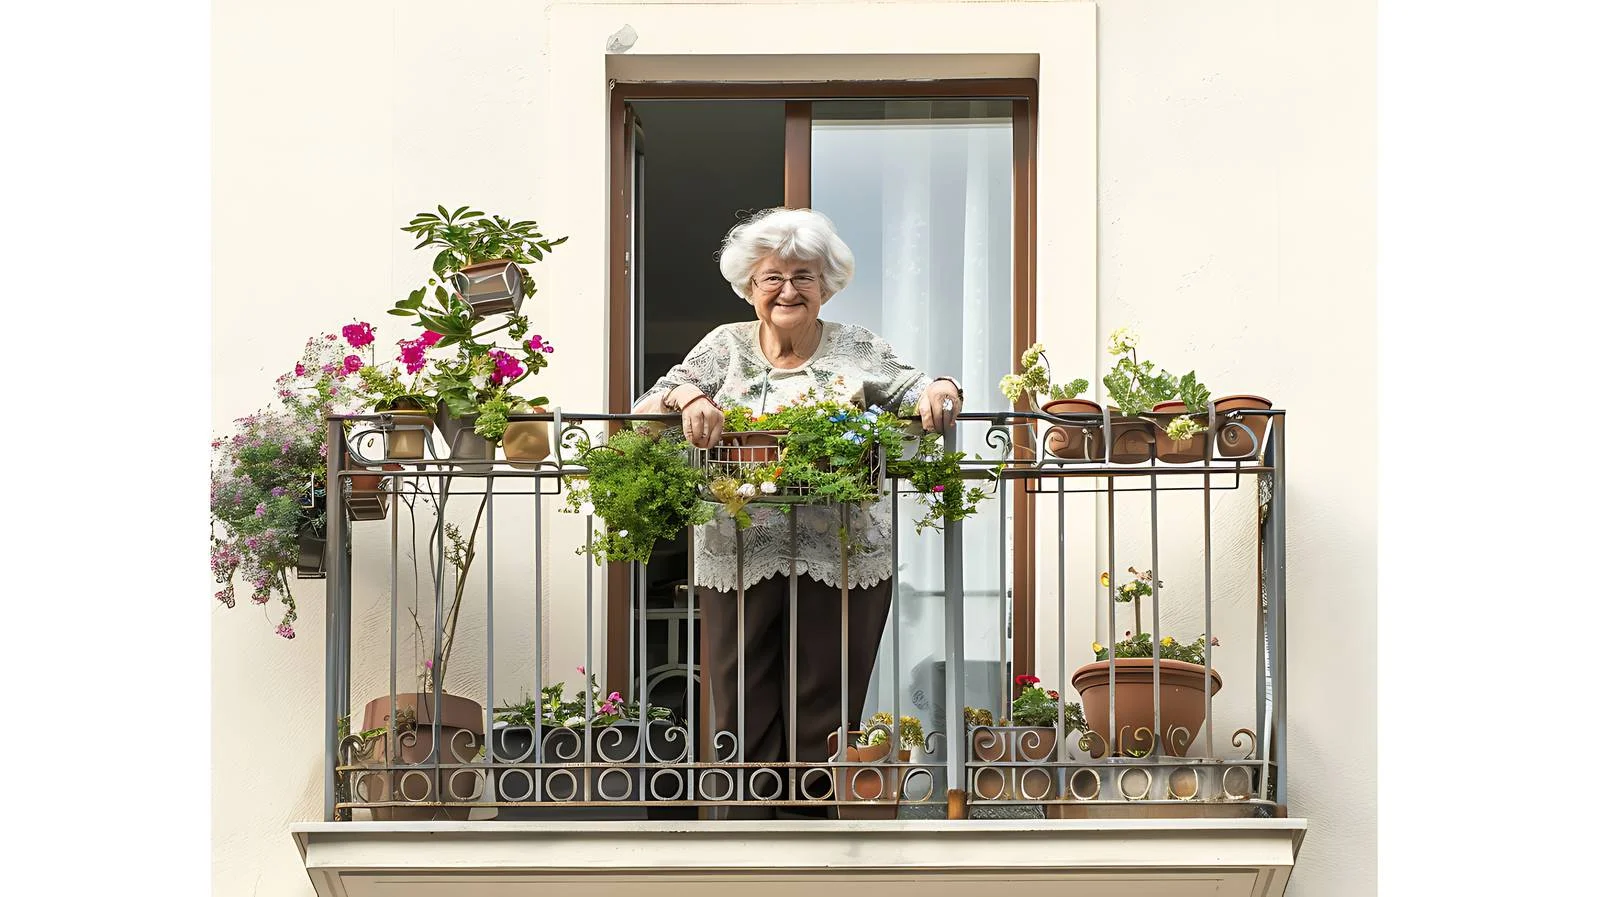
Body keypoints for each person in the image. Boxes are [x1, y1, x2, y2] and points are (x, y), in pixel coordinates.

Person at [632, 207, 964, 816]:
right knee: (740, 689)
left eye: (804, 277)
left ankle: (813, 826)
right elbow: (649, 403)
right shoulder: (724, 347)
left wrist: (942, 388)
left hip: (841, 550)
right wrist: (690, 396)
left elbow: (913, 386)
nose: (788, 290)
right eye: (773, 278)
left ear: (825, 285)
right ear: (750, 287)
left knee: (827, 688)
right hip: (738, 546)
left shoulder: (855, 345)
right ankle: (748, 826)